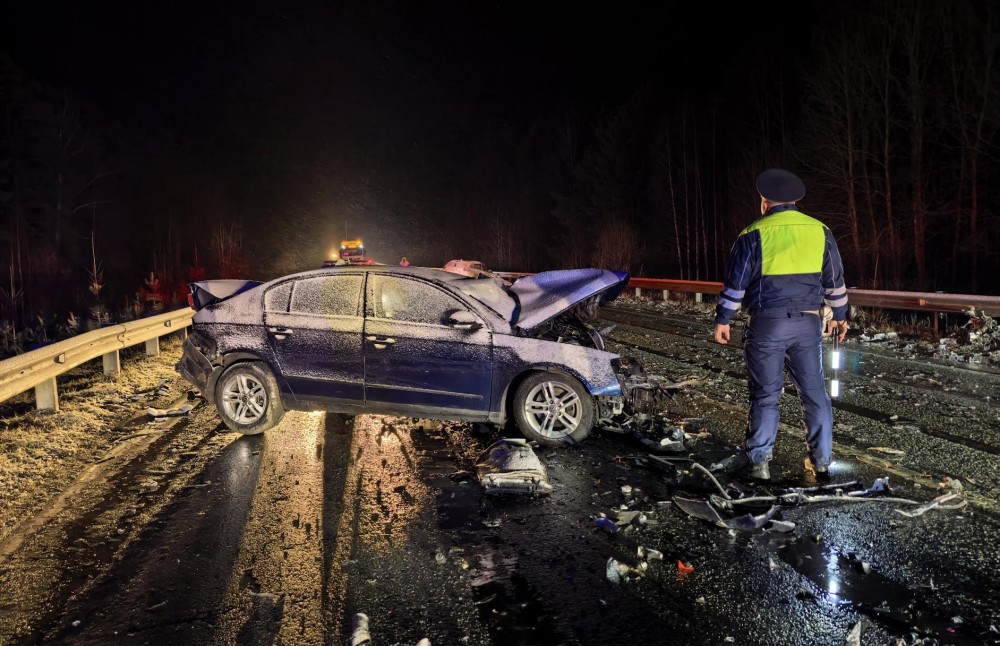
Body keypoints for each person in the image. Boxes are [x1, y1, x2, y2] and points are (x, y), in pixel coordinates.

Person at [713, 169, 849, 481]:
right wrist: (840, 317)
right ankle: (822, 462)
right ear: (795, 201)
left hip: (768, 324)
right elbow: (835, 282)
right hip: (808, 324)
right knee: (814, 393)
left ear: (765, 202)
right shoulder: (820, 231)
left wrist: (723, 319)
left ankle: (759, 463)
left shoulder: (753, 233)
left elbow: (736, 285)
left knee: (766, 395)